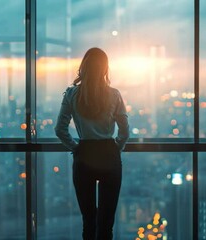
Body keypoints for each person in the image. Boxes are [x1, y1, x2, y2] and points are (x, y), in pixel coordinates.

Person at [55, 47, 129, 240]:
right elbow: (124, 130)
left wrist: (76, 147)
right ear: (105, 69)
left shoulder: (71, 94)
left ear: (84, 67)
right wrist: (117, 147)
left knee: (89, 221)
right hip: (108, 154)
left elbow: (60, 129)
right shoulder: (114, 95)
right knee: (106, 224)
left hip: (85, 155)